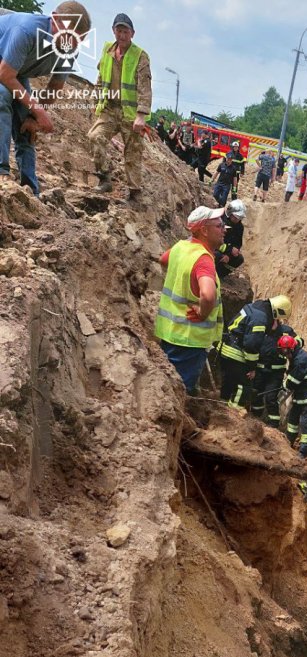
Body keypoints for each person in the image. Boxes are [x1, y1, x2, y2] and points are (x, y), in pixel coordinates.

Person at [0, 2, 91, 196]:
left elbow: (55, 86)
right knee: (2, 97)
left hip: (17, 70)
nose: (72, 44)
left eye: (78, 40)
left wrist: (34, 117)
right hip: (5, 66)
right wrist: (39, 111)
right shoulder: (26, 30)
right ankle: (1, 173)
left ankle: (30, 190)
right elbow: (5, 75)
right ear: (55, 19)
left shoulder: (69, 47)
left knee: (26, 120)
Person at [154, 206, 224, 393]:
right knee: (182, 390)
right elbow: (208, 295)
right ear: (204, 230)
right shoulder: (203, 260)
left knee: (170, 384)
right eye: (218, 226)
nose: (223, 229)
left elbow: (163, 259)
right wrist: (203, 312)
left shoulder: (181, 247)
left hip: (169, 332)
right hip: (189, 339)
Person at [88, 13, 152, 202]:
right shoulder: (107, 50)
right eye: (119, 31)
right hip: (110, 108)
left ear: (132, 33)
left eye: (125, 31)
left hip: (130, 114)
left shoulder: (140, 56)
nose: (122, 35)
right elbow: (101, 78)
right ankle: (104, 178)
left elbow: (144, 87)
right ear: (113, 31)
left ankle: (134, 192)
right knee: (95, 136)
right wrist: (96, 99)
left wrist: (141, 115)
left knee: (132, 153)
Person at [219, 295, 292, 410]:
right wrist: (251, 368)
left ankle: (221, 408)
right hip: (236, 353)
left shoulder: (255, 307)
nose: (277, 322)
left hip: (226, 347)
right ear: (277, 312)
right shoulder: (260, 319)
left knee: (229, 382)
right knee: (244, 386)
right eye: (277, 319)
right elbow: (251, 345)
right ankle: (233, 415)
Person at [277, 335, 307, 456]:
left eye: (284, 351)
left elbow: (293, 381)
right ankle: (288, 441)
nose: (284, 354)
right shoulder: (295, 356)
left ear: (290, 349)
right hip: (301, 393)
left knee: (306, 423)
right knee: (292, 419)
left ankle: (304, 451)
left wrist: (284, 385)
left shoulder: (301, 360)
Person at [251, 323, 302, 428]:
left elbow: (300, 342)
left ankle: (273, 425)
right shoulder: (262, 327)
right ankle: (255, 418)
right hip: (259, 370)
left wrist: (288, 345)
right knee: (256, 394)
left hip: (276, 372)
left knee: (271, 398)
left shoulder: (286, 330)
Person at [215, 199, 245, 279]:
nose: (237, 220)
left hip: (227, 251)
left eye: (239, 218)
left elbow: (238, 243)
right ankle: (210, 273)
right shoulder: (219, 221)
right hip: (215, 249)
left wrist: (230, 255)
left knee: (239, 259)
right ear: (230, 213)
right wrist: (229, 250)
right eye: (236, 217)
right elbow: (214, 242)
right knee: (217, 255)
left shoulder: (239, 227)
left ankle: (219, 275)